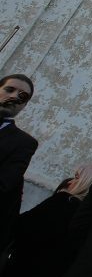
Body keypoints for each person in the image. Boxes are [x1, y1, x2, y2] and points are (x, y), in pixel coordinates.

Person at [0, 164, 92, 277]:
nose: (69, 182)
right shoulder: (88, 217)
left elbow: (22, 227)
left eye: (77, 178)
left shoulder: (62, 203)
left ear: (85, 183)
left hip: (24, 276)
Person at [0, 74, 38, 264]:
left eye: (23, 97)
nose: (15, 97)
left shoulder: (23, 143)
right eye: (10, 90)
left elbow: (4, 184)